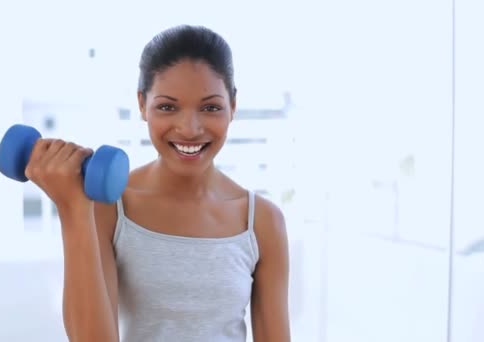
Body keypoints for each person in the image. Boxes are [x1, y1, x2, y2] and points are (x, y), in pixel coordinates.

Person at [24, 25, 291, 342]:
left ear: (232, 106)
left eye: (210, 107)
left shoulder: (262, 222)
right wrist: (72, 210)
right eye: (167, 106)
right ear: (142, 104)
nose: (189, 129)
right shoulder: (109, 208)